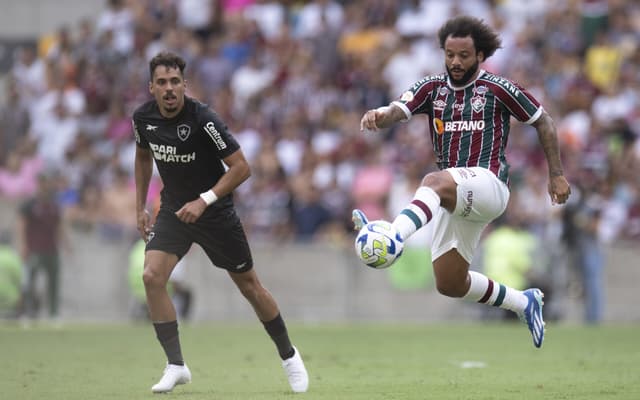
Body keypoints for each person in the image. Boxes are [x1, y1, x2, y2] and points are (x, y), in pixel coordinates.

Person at [354, 16, 571, 348]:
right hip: (456, 196)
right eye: (450, 54)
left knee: (433, 180)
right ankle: (523, 303)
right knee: (450, 283)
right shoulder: (431, 88)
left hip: (489, 185)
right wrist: (381, 115)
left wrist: (555, 173)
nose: (455, 61)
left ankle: (393, 236)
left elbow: (545, 123)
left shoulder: (498, 89)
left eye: (464, 55)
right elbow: (399, 108)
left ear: (480, 55)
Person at [132, 51, 308, 393]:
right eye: (162, 83)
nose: (169, 89)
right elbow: (142, 156)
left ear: (185, 85)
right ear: (151, 87)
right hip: (174, 210)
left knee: (250, 287)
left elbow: (242, 167)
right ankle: (176, 365)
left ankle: (289, 356)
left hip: (214, 213)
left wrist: (204, 200)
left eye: (175, 82)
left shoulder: (203, 119)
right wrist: (140, 205)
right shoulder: (143, 119)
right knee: (152, 276)